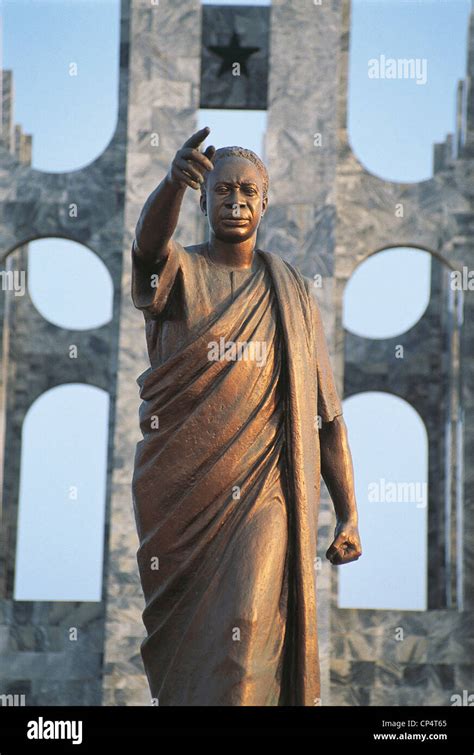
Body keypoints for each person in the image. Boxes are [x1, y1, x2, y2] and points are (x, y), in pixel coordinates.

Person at [131, 126, 362, 706]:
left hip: (265, 493)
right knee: (194, 659)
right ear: (203, 202)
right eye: (221, 191)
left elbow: (325, 417)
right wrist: (170, 186)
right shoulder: (180, 275)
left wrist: (349, 514)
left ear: (264, 203)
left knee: (248, 637)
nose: (235, 202)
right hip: (182, 492)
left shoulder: (289, 291)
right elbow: (147, 253)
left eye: (247, 192)